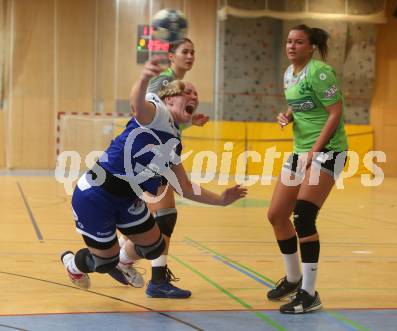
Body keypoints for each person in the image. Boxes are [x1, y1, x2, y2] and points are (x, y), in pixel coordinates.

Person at [60, 57, 247, 293]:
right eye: (187, 92)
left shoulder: (174, 141)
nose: (194, 98)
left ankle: (123, 262)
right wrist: (144, 77)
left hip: (127, 200)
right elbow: (138, 105)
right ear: (169, 98)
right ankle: (72, 265)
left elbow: (185, 187)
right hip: (97, 195)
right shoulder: (157, 112)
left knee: (154, 246)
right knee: (104, 262)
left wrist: (220, 200)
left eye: (196, 96)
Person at [113, 38, 210, 298]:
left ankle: (118, 260)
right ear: (171, 56)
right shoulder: (164, 81)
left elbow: (169, 118)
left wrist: (191, 121)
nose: (190, 56)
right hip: (149, 154)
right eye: (184, 51)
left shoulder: (182, 87)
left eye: (193, 52)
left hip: (159, 153)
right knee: (164, 215)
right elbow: (144, 111)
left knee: (161, 216)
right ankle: (151, 276)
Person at [266, 24, 348, 314]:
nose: (291, 46)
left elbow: (335, 112)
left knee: (303, 217)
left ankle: (310, 294)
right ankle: (292, 279)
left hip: (328, 151)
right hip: (302, 152)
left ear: (311, 47)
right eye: (289, 41)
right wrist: (287, 115)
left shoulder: (320, 71)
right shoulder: (289, 74)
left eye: (298, 42)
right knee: (276, 215)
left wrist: (315, 151)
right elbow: (302, 103)